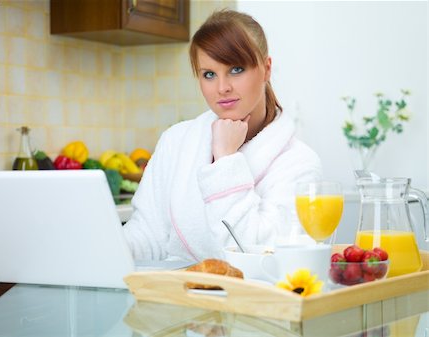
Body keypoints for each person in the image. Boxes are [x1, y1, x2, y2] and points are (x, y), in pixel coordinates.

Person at [123, 9, 322, 262]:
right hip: (174, 295)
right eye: (209, 74)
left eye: (236, 69)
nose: (222, 88)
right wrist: (104, 249)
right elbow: (148, 234)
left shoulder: (299, 164)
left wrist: (226, 159)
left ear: (266, 68)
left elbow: (262, 256)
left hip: (248, 300)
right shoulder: (176, 141)